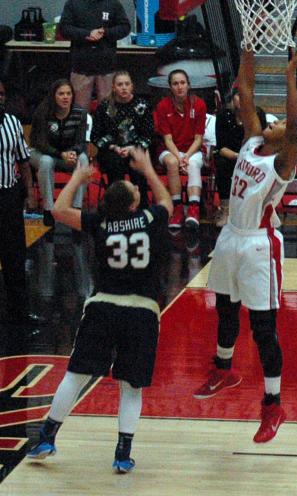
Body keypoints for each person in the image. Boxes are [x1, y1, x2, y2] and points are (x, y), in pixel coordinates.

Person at [193, 44, 297, 443]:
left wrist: (289, 74)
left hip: (260, 246)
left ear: (289, 139)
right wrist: (247, 48)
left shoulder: (282, 161)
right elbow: (245, 92)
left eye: (282, 123)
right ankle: (223, 368)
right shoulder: (252, 142)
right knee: (225, 311)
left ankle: (273, 405)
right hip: (231, 235)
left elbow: (296, 119)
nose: (276, 122)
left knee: (263, 329)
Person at [26, 149, 172, 473]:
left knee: (76, 375)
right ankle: (122, 454)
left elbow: (59, 210)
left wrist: (78, 178)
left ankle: (47, 435)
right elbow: (167, 202)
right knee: (131, 387)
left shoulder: (101, 222)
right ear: (135, 203)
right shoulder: (149, 218)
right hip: (141, 311)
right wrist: (148, 170)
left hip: (104, 306)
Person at [0, 79, 40, 333]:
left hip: (8, 195)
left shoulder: (13, 123)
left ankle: (20, 314)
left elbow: (24, 161)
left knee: (15, 256)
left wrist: (30, 193)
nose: (0, 98)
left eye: (2, 94)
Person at [29, 79, 88, 227]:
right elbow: (39, 143)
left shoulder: (80, 113)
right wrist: (60, 154)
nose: (65, 97)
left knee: (83, 160)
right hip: (42, 153)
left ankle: (76, 209)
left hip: (67, 155)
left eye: (68, 93)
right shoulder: (42, 112)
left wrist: (73, 153)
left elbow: (81, 142)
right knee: (46, 161)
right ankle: (49, 210)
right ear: (53, 96)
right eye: (61, 94)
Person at [59, 0, 131, 113]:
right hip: (81, 65)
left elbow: (125, 27)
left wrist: (106, 32)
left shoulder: (113, 2)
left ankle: (107, 132)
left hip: (106, 65)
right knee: (79, 110)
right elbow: (64, 28)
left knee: (108, 109)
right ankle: (82, 132)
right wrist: (86, 34)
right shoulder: (73, 2)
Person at [153, 69, 207, 231]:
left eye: (182, 83)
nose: (179, 87)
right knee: (171, 162)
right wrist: (179, 158)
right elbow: (167, 139)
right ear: (170, 87)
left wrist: (186, 157)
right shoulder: (163, 106)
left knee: (193, 164)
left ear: (188, 85)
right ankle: (177, 208)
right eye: (175, 83)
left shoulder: (199, 104)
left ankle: (193, 208)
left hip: (192, 149)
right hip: (170, 149)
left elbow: (198, 139)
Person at [91, 71, 153, 203]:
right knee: (115, 163)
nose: (124, 87)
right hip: (111, 150)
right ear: (113, 87)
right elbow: (95, 136)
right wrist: (114, 147)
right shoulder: (104, 107)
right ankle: (117, 205)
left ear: (132, 86)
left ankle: (141, 206)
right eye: (120, 84)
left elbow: (148, 135)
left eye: (127, 84)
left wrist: (132, 148)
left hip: (135, 148)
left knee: (137, 162)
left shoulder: (142, 105)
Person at [214, 85, 268, 228]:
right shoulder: (223, 115)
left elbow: (263, 142)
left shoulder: (259, 115)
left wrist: (248, 157)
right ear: (233, 98)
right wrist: (238, 157)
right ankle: (226, 209)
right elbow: (221, 147)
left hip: (253, 157)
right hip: (232, 156)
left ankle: (254, 209)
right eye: (239, 96)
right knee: (221, 163)